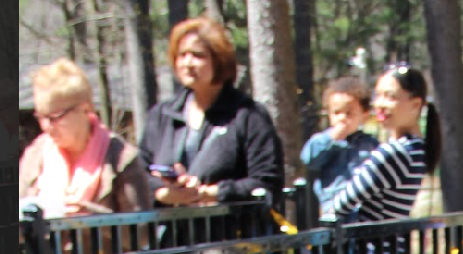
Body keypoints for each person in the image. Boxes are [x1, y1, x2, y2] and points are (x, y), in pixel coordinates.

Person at [138, 14, 284, 206]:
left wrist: (211, 193)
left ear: (219, 60)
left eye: (197, 55)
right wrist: (162, 192)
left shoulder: (248, 115)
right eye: (182, 55)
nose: (187, 63)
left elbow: (267, 182)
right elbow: (140, 173)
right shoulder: (162, 115)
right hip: (172, 224)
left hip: (232, 224)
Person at [18, 60, 152, 215]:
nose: (47, 126)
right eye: (41, 117)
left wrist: (89, 217)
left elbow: (141, 225)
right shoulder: (35, 155)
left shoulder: (121, 159)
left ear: (85, 108)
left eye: (55, 116)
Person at [319, 61, 440, 223]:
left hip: (372, 239)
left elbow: (341, 204)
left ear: (415, 104)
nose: (379, 104)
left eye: (390, 97)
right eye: (377, 95)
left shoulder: (394, 152)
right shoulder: (417, 148)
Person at [300, 68, 377, 204]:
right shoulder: (322, 140)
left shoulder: (370, 144)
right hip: (333, 204)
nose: (342, 118)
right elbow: (309, 159)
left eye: (349, 113)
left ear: (364, 115)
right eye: (336, 113)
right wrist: (331, 140)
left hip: (362, 205)